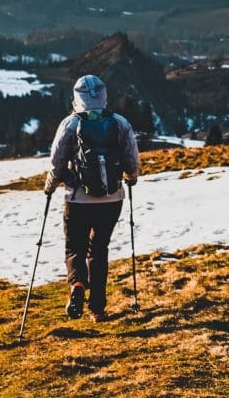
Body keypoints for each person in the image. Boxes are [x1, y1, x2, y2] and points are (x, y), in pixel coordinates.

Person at [44, 75, 140, 322]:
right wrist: (131, 177)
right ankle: (97, 308)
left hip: (78, 199)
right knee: (99, 249)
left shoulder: (70, 124)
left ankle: (77, 285)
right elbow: (131, 161)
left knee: (75, 246)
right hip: (112, 199)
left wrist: (50, 186)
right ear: (103, 96)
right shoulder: (119, 123)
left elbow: (56, 163)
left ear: (77, 98)